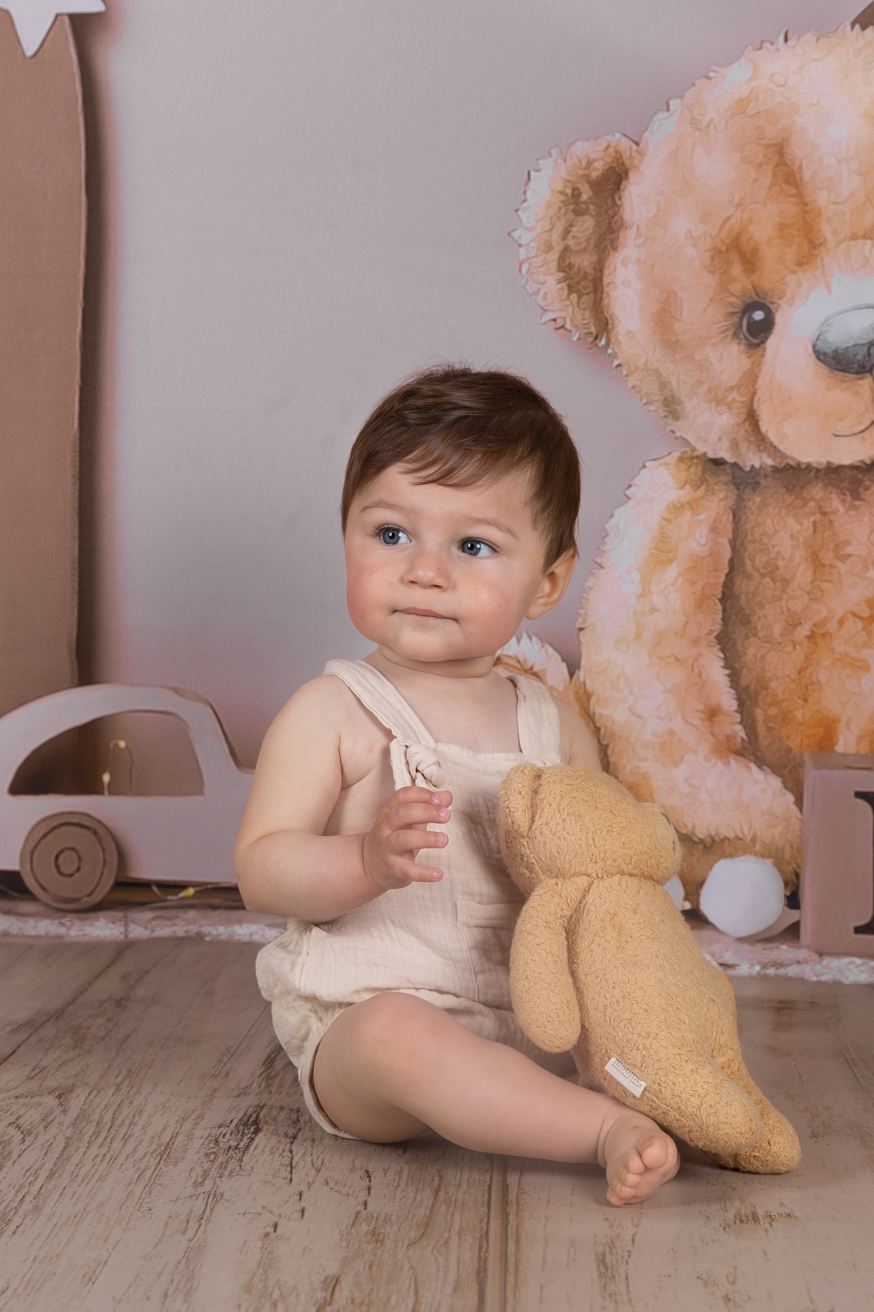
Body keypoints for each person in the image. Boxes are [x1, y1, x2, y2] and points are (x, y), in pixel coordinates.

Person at [235, 366, 679, 1206]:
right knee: (402, 1035)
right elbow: (262, 868)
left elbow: (598, 873)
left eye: (472, 546)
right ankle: (595, 1130)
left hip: (533, 1021)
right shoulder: (334, 712)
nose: (425, 570)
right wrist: (363, 859)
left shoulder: (554, 724)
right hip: (364, 1026)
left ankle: (617, 1094)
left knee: (643, 1022)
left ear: (546, 581)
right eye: (392, 533)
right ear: (346, 538)